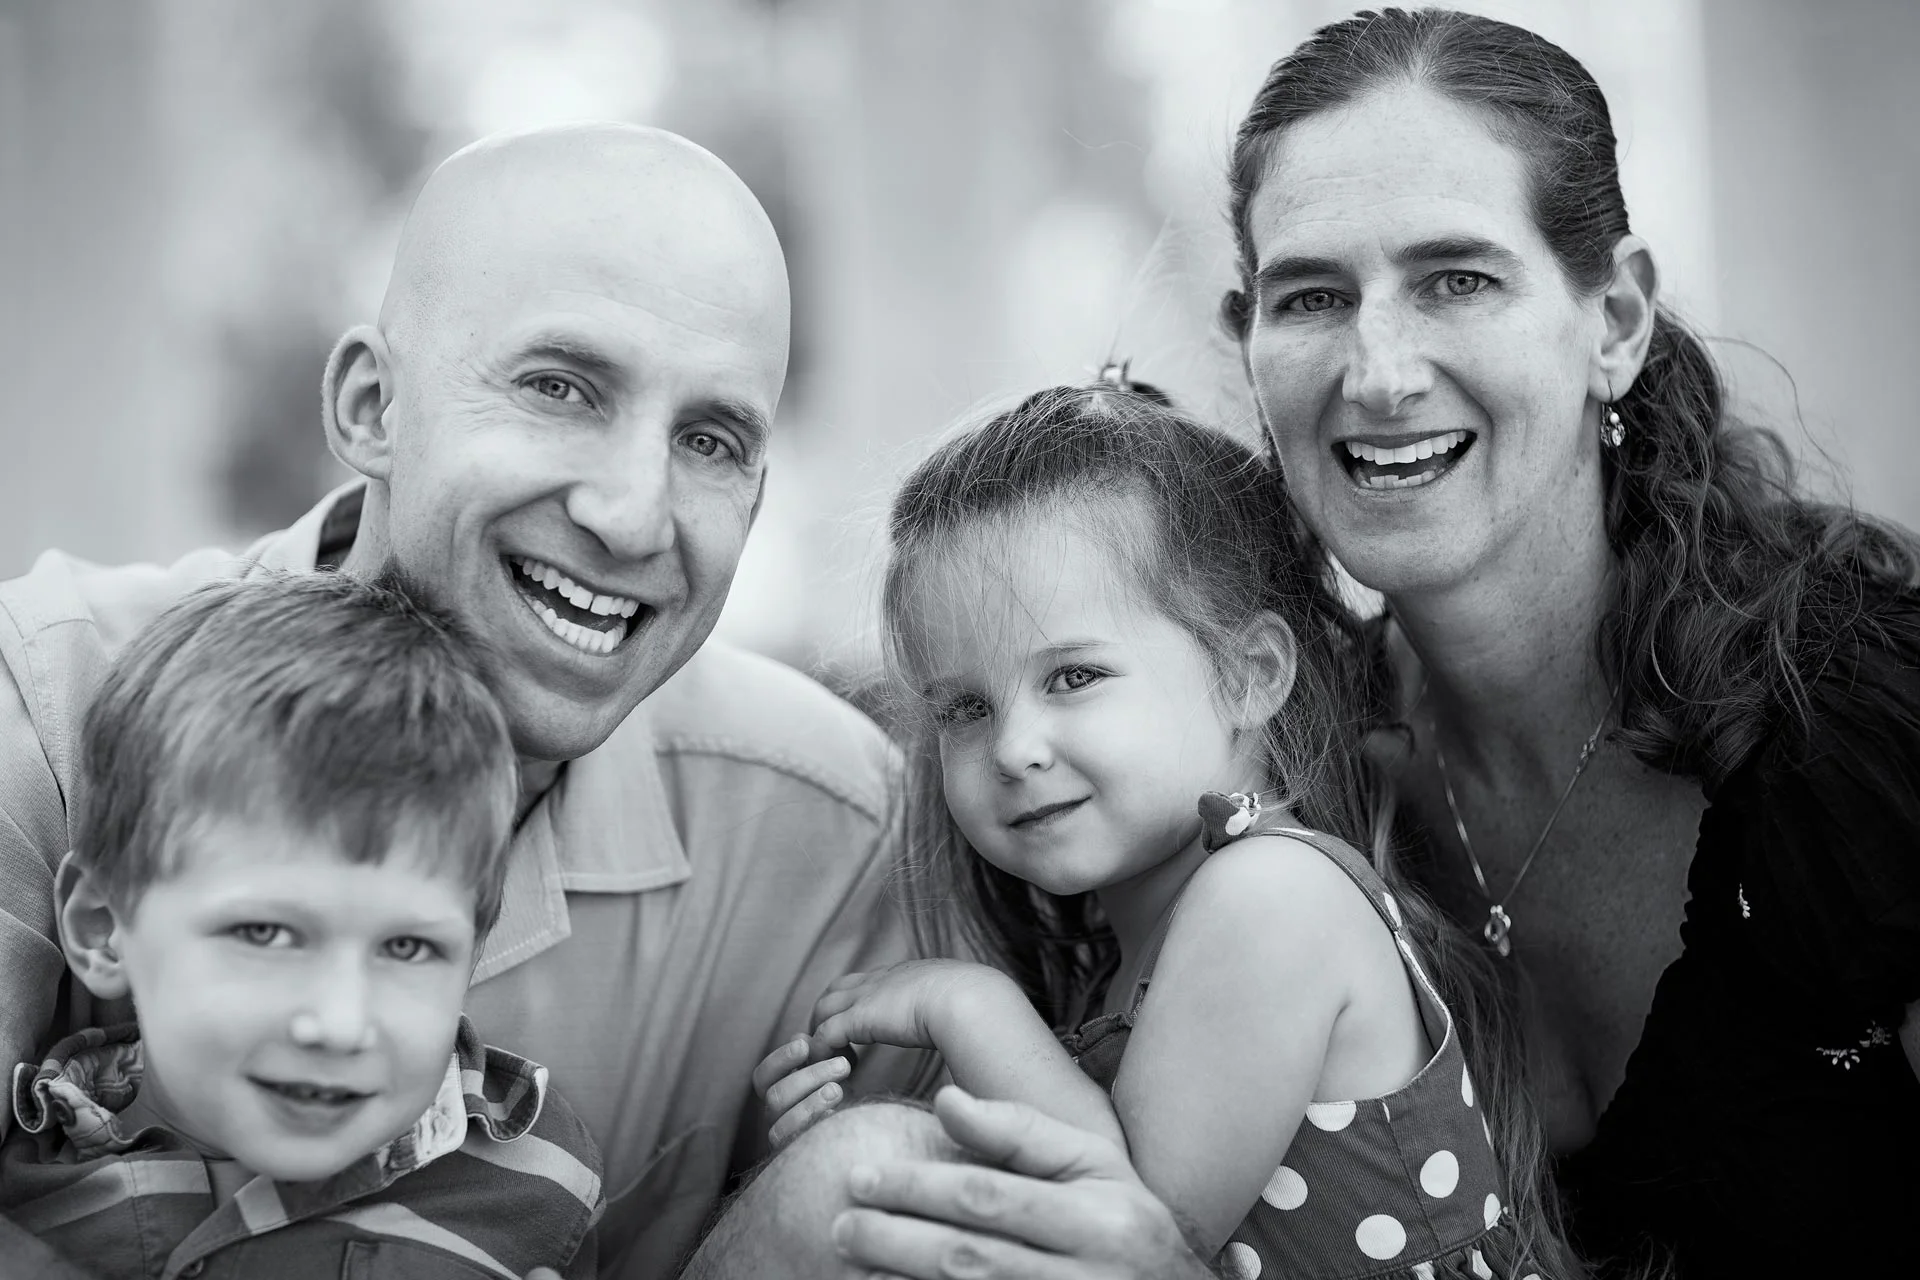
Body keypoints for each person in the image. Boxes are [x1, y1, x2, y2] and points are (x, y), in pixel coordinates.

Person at [0, 122, 1225, 1280]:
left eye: (711, 440)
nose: (632, 515)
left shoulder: (823, 827)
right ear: (373, 407)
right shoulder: (46, 709)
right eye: (561, 387)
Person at [1218, 8, 1920, 1274]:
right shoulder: (1293, 788)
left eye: (1458, 279)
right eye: (1313, 296)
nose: (1378, 373)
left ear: (1616, 319)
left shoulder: (1868, 721)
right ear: (1249, 346)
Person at [755, 383, 1575, 1279]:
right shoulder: (1131, 955)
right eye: (965, 708)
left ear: (1247, 674)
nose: (1014, 749)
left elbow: (1129, 1238)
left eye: (1073, 677)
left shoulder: (1273, 898)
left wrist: (970, 1012)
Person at [3, 572, 603, 1278]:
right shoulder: (30, 1204)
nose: (340, 1024)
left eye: (407, 946)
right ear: (104, 927)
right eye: (266, 935)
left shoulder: (540, 1182)